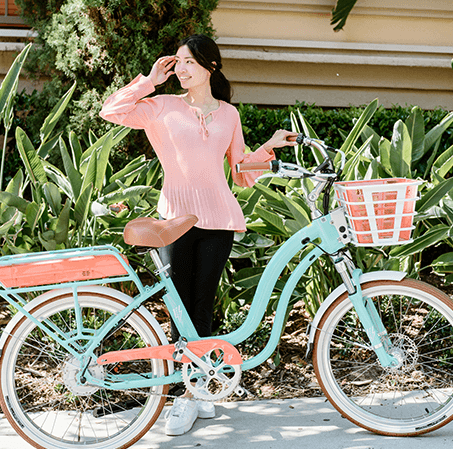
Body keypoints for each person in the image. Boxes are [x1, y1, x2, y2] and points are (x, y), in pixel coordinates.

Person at [100, 34, 297, 436]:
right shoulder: (161, 106)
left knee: (202, 306)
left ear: (210, 66)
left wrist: (269, 147)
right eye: (179, 62)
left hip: (219, 220)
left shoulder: (228, 114)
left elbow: (240, 174)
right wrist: (150, 81)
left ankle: (196, 391)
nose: (183, 69)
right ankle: (182, 394)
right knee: (180, 310)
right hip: (175, 219)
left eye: (190, 62)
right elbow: (111, 110)